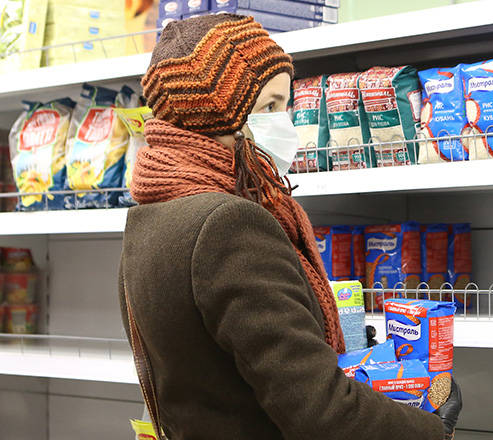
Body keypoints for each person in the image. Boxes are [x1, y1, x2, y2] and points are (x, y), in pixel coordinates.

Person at [117, 14, 460, 439]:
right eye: (268, 107)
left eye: (286, 104)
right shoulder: (228, 223)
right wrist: (429, 432)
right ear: (215, 114)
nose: (286, 123)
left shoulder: (150, 215)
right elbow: (318, 408)